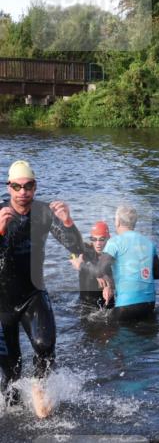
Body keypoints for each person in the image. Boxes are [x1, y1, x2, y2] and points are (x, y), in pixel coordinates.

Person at [0, 160, 83, 416]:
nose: (23, 192)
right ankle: (12, 414)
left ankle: (40, 390)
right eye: (17, 186)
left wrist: (68, 222)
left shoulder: (45, 212)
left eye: (28, 186)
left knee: (45, 344)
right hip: (1, 303)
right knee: (9, 374)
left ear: (35, 188)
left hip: (33, 294)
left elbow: (76, 248)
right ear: (9, 187)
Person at [76, 205, 159, 321]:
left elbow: (98, 271)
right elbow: (158, 274)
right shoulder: (149, 243)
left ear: (117, 222)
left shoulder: (114, 242)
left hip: (126, 307)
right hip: (150, 304)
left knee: (103, 326)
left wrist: (80, 265)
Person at [71, 221, 114, 309]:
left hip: (106, 302)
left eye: (102, 239)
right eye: (94, 239)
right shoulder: (85, 250)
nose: (98, 243)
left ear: (108, 238)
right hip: (85, 302)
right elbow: (73, 257)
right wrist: (97, 273)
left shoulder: (113, 253)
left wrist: (110, 287)